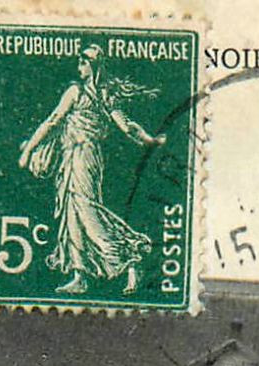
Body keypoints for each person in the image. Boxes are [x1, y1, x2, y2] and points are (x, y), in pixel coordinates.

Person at [15, 44, 165, 295]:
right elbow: (126, 127)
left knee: (85, 212)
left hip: (82, 157)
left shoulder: (77, 92)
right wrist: (149, 140)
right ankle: (80, 274)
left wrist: (29, 150)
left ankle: (129, 259)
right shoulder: (103, 94)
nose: (79, 65)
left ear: (92, 65)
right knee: (72, 212)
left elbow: (53, 121)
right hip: (75, 157)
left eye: (83, 61)